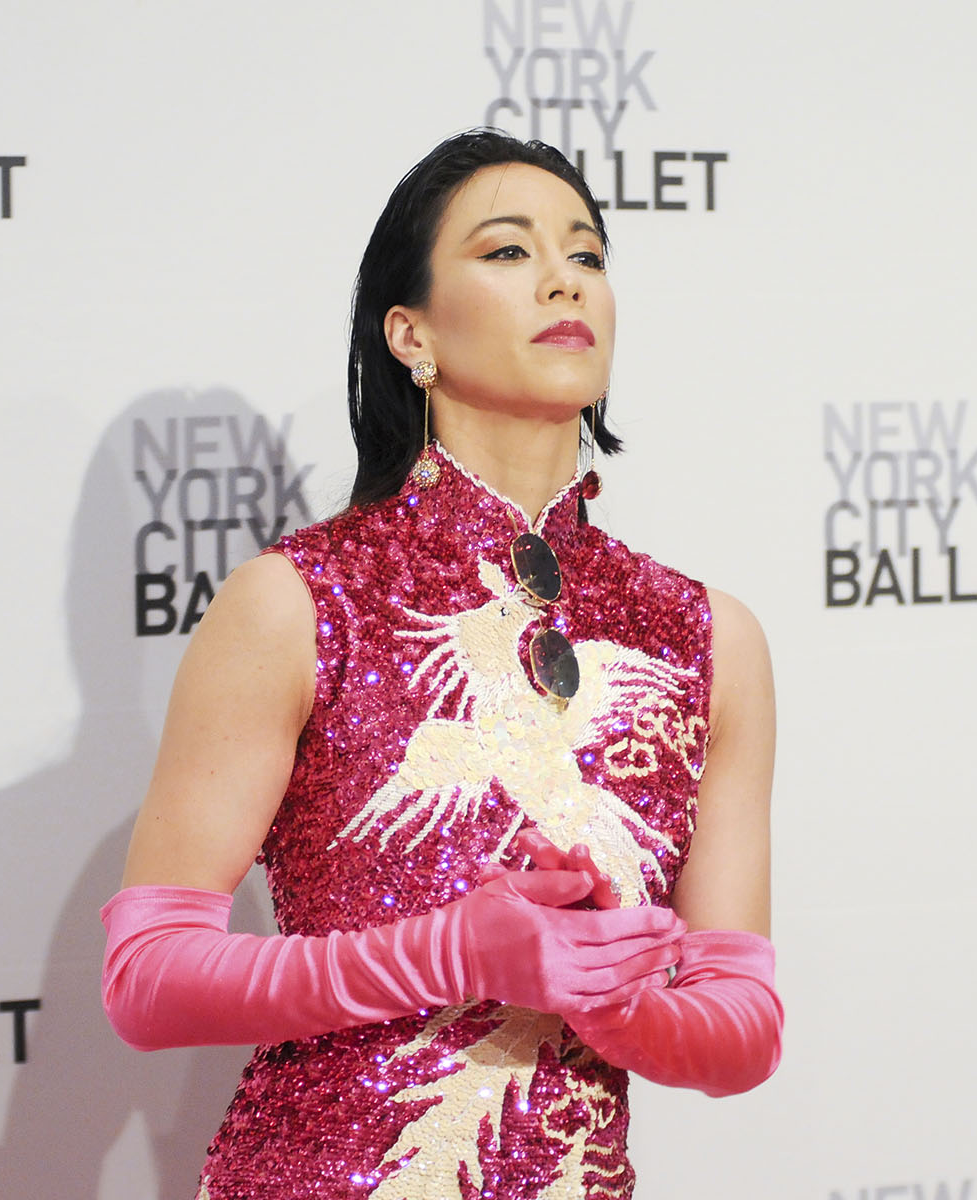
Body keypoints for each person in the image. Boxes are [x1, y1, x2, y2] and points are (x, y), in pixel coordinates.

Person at [98, 129, 782, 1200]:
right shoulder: (298, 600)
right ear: (409, 333)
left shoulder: (707, 636)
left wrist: (618, 1000)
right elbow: (146, 979)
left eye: (588, 254)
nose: (564, 277)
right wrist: (453, 955)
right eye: (508, 252)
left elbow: (743, 1029)